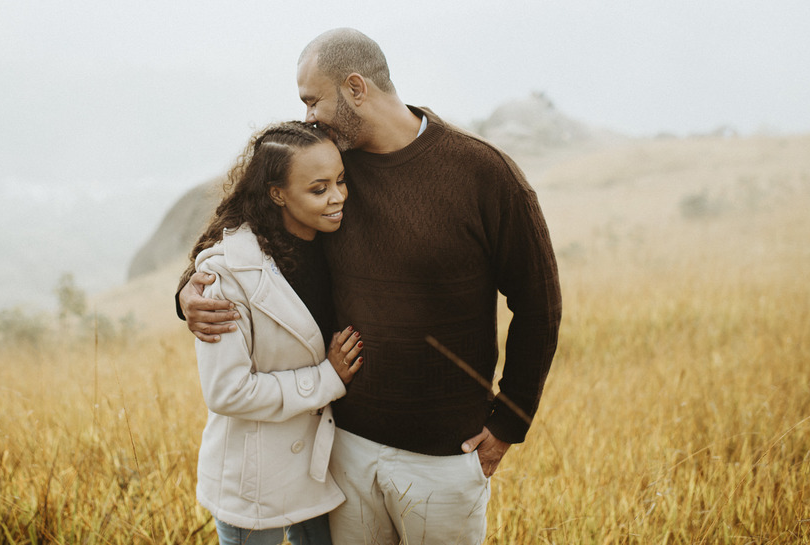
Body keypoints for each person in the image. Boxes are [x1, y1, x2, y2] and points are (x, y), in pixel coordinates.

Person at [179, 29, 562, 545]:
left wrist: (510, 421)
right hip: (343, 451)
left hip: (446, 458)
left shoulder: (483, 174)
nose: (308, 115)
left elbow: (539, 303)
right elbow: (251, 230)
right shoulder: (330, 167)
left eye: (313, 100)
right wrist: (189, 292)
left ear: (356, 88)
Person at [188, 120, 364, 545]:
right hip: (253, 481)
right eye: (318, 189)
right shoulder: (226, 273)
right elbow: (227, 392)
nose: (337, 197)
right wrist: (328, 379)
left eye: (340, 181)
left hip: (322, 473)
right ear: (277, 193)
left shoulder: (338, 245)